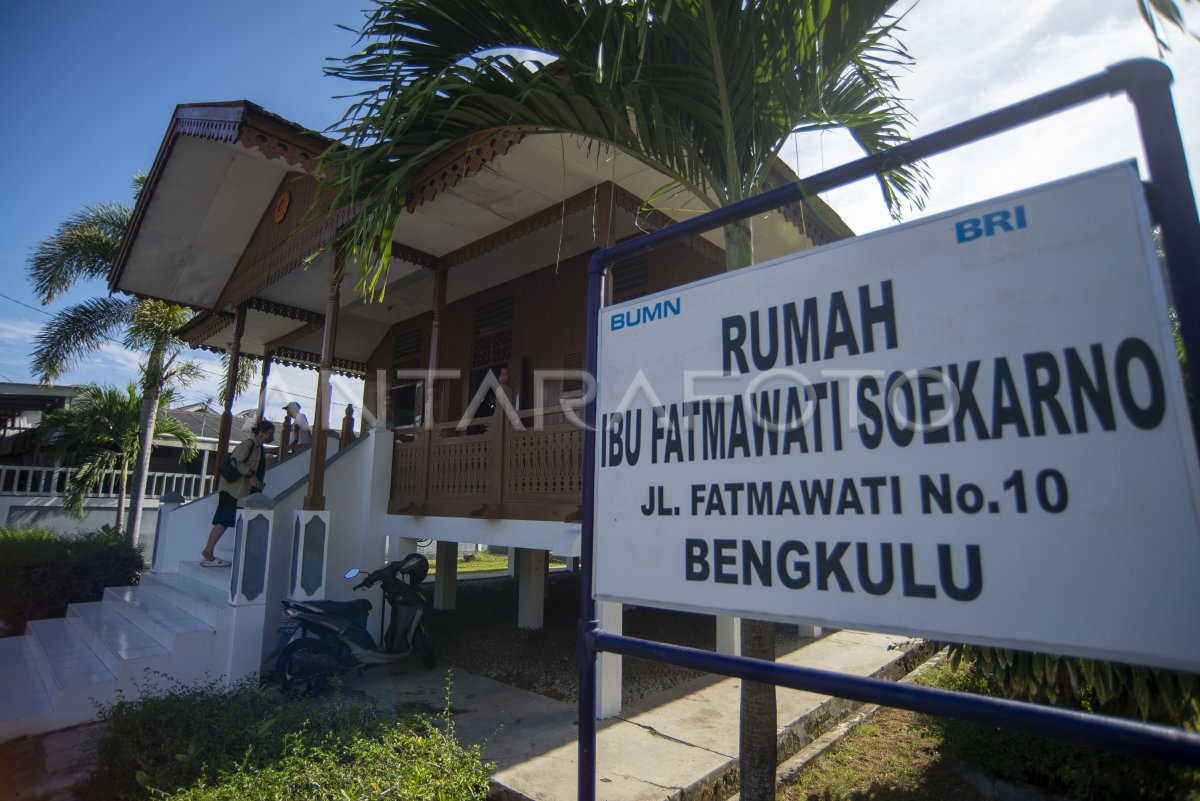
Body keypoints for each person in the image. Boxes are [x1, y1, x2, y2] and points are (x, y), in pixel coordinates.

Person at [200, 419, 274, 567]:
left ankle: (212, 551)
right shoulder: (249, 444)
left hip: (243, 491)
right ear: (261, 432)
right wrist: (250, 475)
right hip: (234, 490)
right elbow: (237, 461)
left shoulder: (259, 448)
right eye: (269, 433)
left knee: (231, 520)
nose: (271, 436)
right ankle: (208, 552)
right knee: (224, 520)